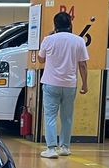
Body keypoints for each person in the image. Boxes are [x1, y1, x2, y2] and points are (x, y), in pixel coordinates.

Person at [37, 12, 89, 159]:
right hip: (70, 85)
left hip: (51, 83)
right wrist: (85, 84)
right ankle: (65, 147)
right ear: (70, 24)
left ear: (55, 25)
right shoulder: (79, 41)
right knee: (67, 117)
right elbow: (83, 65)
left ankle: (51, 149)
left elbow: (41, 59)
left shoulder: (48, 39)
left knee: (50, 116)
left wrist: (47, 41)